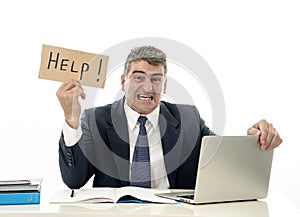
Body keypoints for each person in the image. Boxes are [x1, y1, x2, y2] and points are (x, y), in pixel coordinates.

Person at [56, 46, 282, 189]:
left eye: (156, 79)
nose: (147, 86)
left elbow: (223, 163)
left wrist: (254, 140)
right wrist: (71, 120)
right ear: (123, 82)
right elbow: (74, 180)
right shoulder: (97, 119)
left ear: (165, 85)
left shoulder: (188, 119)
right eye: (138, 77)